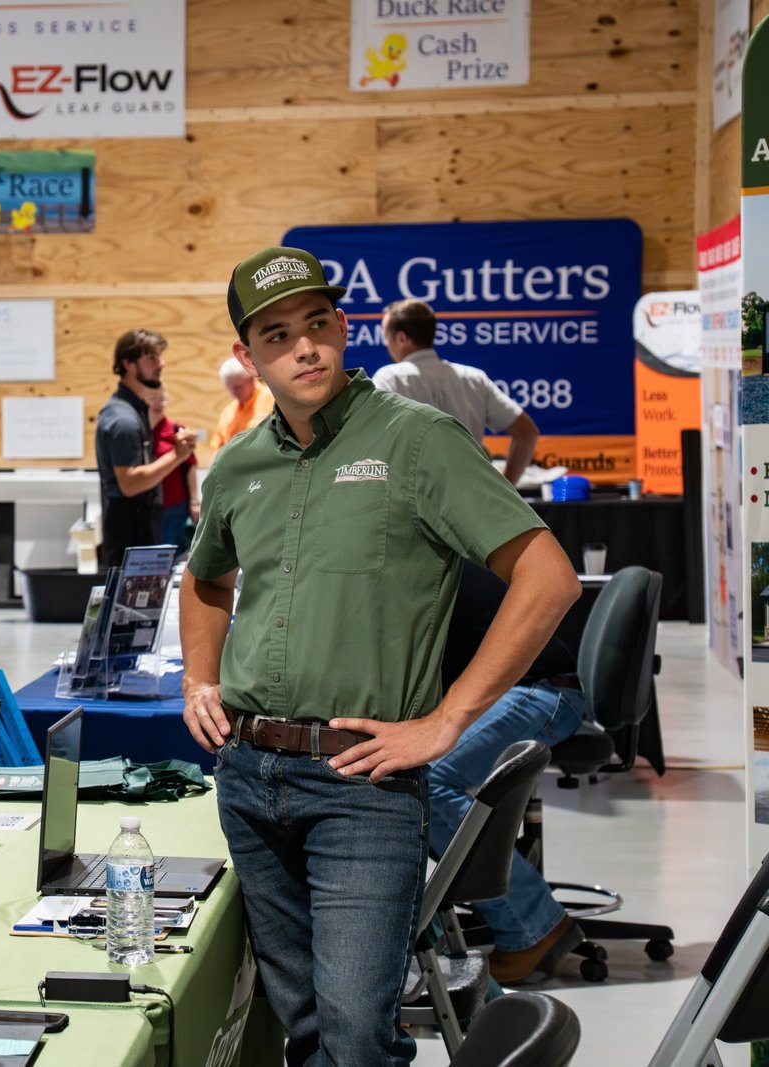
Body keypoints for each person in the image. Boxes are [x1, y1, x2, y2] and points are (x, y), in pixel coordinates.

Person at [180, 247, 579, 1065]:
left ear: (344, 326)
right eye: (278, 334)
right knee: (307, 1033)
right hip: (250, 780)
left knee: (359, 1037)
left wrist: (445, 721)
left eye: (318, 324)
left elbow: (548, 577)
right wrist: (198, 677)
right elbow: (204, 579)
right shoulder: (240, 465)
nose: (305, 348)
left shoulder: (417, 438)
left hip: (362, 785)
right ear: (249, 356)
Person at [429, 562, 587, 984]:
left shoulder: (421, 566)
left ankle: (535, 924)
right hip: (521, 687)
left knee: (428, 779)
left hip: (542, 691)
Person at [372, 298, 540, 485]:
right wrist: (506, 489)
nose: (386, 344)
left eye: (386, 337)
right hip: (469, 500)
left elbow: (372, 443)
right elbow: (527, 432)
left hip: (412, 499)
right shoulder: (474, 379)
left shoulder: (388, 379)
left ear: (401, 338)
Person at [94, 328, 196, 568]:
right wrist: (177, 456)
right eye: (151, 358)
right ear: (128, 364)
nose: (161, 363)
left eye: (159, 356)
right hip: (130, 538)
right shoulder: (124, 420)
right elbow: (129, 483)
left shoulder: (132, 411)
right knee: (131, 606)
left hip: (136, 533)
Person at [146, 389, 198, 550]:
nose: (158, 403)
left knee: (173, 553)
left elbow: (190, 466)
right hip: (148, 506)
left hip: (175, 505)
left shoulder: (175, 429)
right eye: (153, 398)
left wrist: (194, 501)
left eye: (162, 399)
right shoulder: (140, 430)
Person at [209, 356, 274, 450]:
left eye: (237, 387)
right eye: (229, 387)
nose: (233, 392)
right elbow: (217, 444)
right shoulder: (228, 411)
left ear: (251, 380)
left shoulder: (273, 400)